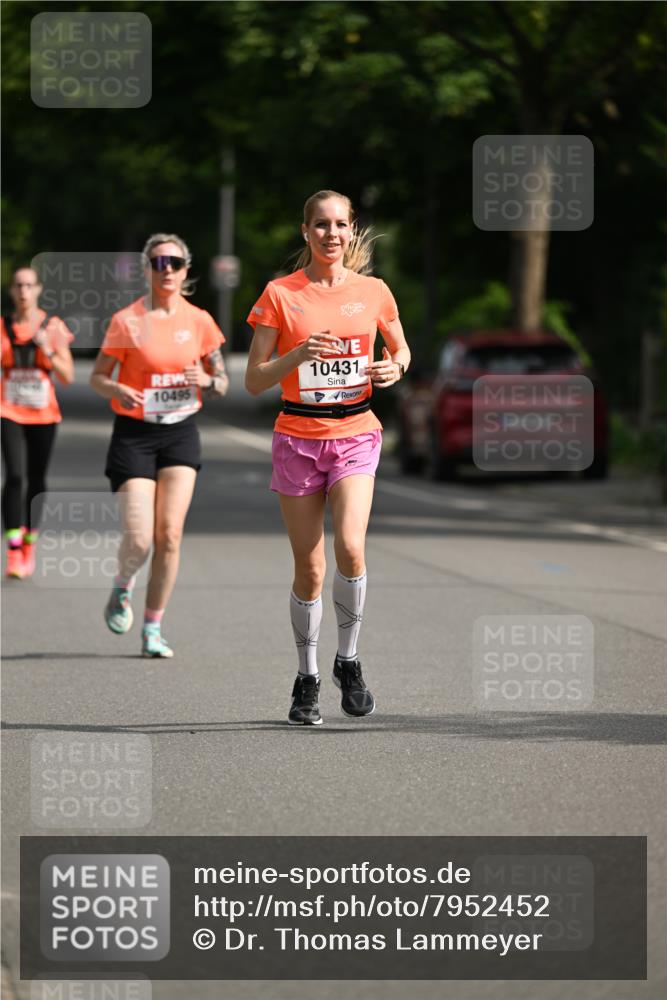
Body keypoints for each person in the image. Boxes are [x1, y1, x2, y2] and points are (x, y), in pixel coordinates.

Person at [246, 189, 410, 725]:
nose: (331, 234)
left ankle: (349, 661)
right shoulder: (280, 294)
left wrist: (395, 367)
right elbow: (254, 380)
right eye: (321, 224)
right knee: (310, 568)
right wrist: (298, 354)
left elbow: (400, 348)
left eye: (340, 224)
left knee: (352, 548)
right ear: (306, 231)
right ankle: (307, 677)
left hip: (356, 431)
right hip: (297, 437)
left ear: (351, 229)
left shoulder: (373, 291)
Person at [90, 233, 228, 658]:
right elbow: (98, 377)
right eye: (158, 263)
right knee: (140, 538)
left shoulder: (200, 321)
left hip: (180, 432)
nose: (166, 270)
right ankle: (123, 586)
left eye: (174, 263)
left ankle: (153, 628)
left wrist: (207, 380)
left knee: (169, 535)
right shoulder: (127, 321)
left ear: (186, 270)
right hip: (134, 433)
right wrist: (117, 388)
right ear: (147, 270)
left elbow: (221, 382)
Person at [1, 266, 74, 579]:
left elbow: (67, 376)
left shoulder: (53, 327)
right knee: (15, 475)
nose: (23, 291)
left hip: (44, 413)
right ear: (11, 290)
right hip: (9, 410)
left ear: (39, 289)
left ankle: (29, 542)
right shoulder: (3, 326)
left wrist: (46, 348)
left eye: (29, 285)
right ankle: (13, 550)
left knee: (36, 478)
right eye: (18, 285)